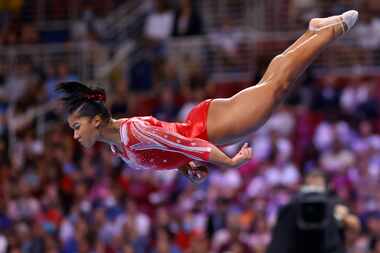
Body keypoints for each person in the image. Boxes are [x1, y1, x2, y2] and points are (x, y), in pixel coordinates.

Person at [56, 10, 359, 183]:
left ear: (96, 120)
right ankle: (312, 31)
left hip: (208, 131)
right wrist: (185, 166)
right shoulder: (118, 147)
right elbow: (172, 147)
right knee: (271, 84)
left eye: (76, 127)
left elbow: (188, 143)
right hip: (205, 126)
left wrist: (228, 164)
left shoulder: (130, 134)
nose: (75, 135)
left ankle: (330, 32)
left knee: (275, 88)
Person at [266, 170, 360, 253]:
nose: (313, 191)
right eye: (309, 186)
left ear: (328, 187)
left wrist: (342, 220)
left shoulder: (337, 206)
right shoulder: (292, 207)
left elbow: (353, 231)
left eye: (318, 186)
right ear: (302, 188)